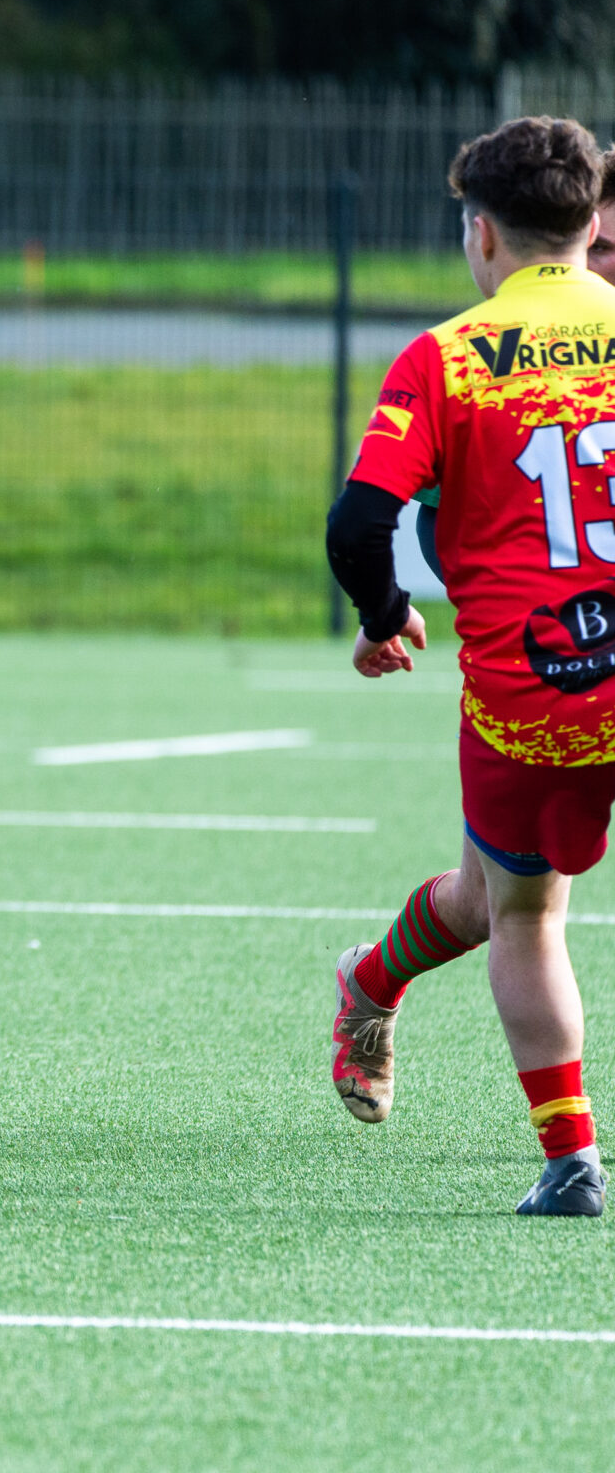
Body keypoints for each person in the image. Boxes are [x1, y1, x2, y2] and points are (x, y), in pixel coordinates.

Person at [326, 115, 615, 1216]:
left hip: (533, 695)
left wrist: (383, 614)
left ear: (480, 235)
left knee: (519, 913)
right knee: (486, 899)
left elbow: (360, 524)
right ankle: (369, 983)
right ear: (588, 226)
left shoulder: (445, 358)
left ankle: (571, 1162)